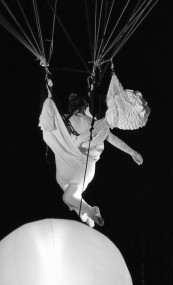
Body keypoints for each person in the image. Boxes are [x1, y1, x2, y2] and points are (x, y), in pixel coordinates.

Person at [40, 88, 143, 228]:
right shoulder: (93, 123)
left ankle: (87, 211)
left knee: (68, 194)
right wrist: (132, 152)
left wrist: (49, 101)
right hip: (87, 170)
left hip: (71, 165)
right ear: (84, 108)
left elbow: (51, 126)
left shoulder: (65, 120)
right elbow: (111, 138)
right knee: (70, 195)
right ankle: (86, 213)